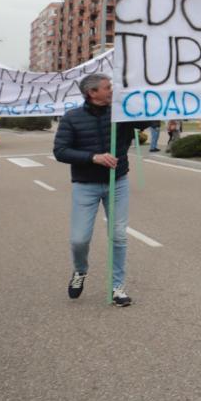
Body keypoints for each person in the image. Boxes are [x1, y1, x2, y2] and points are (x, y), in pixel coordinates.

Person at [52, 74, 137, 306]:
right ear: (92, 92)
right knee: (79, 239)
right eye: (108, 87)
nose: (112, 90)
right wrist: (93, 158)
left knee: (118, 235)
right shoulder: (72, 118)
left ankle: (117, 287)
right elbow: (60, 151)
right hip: (85, 185)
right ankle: (80, 271)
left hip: (117, 182)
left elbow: (147, 120)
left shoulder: (121, 114)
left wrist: (148, 103)